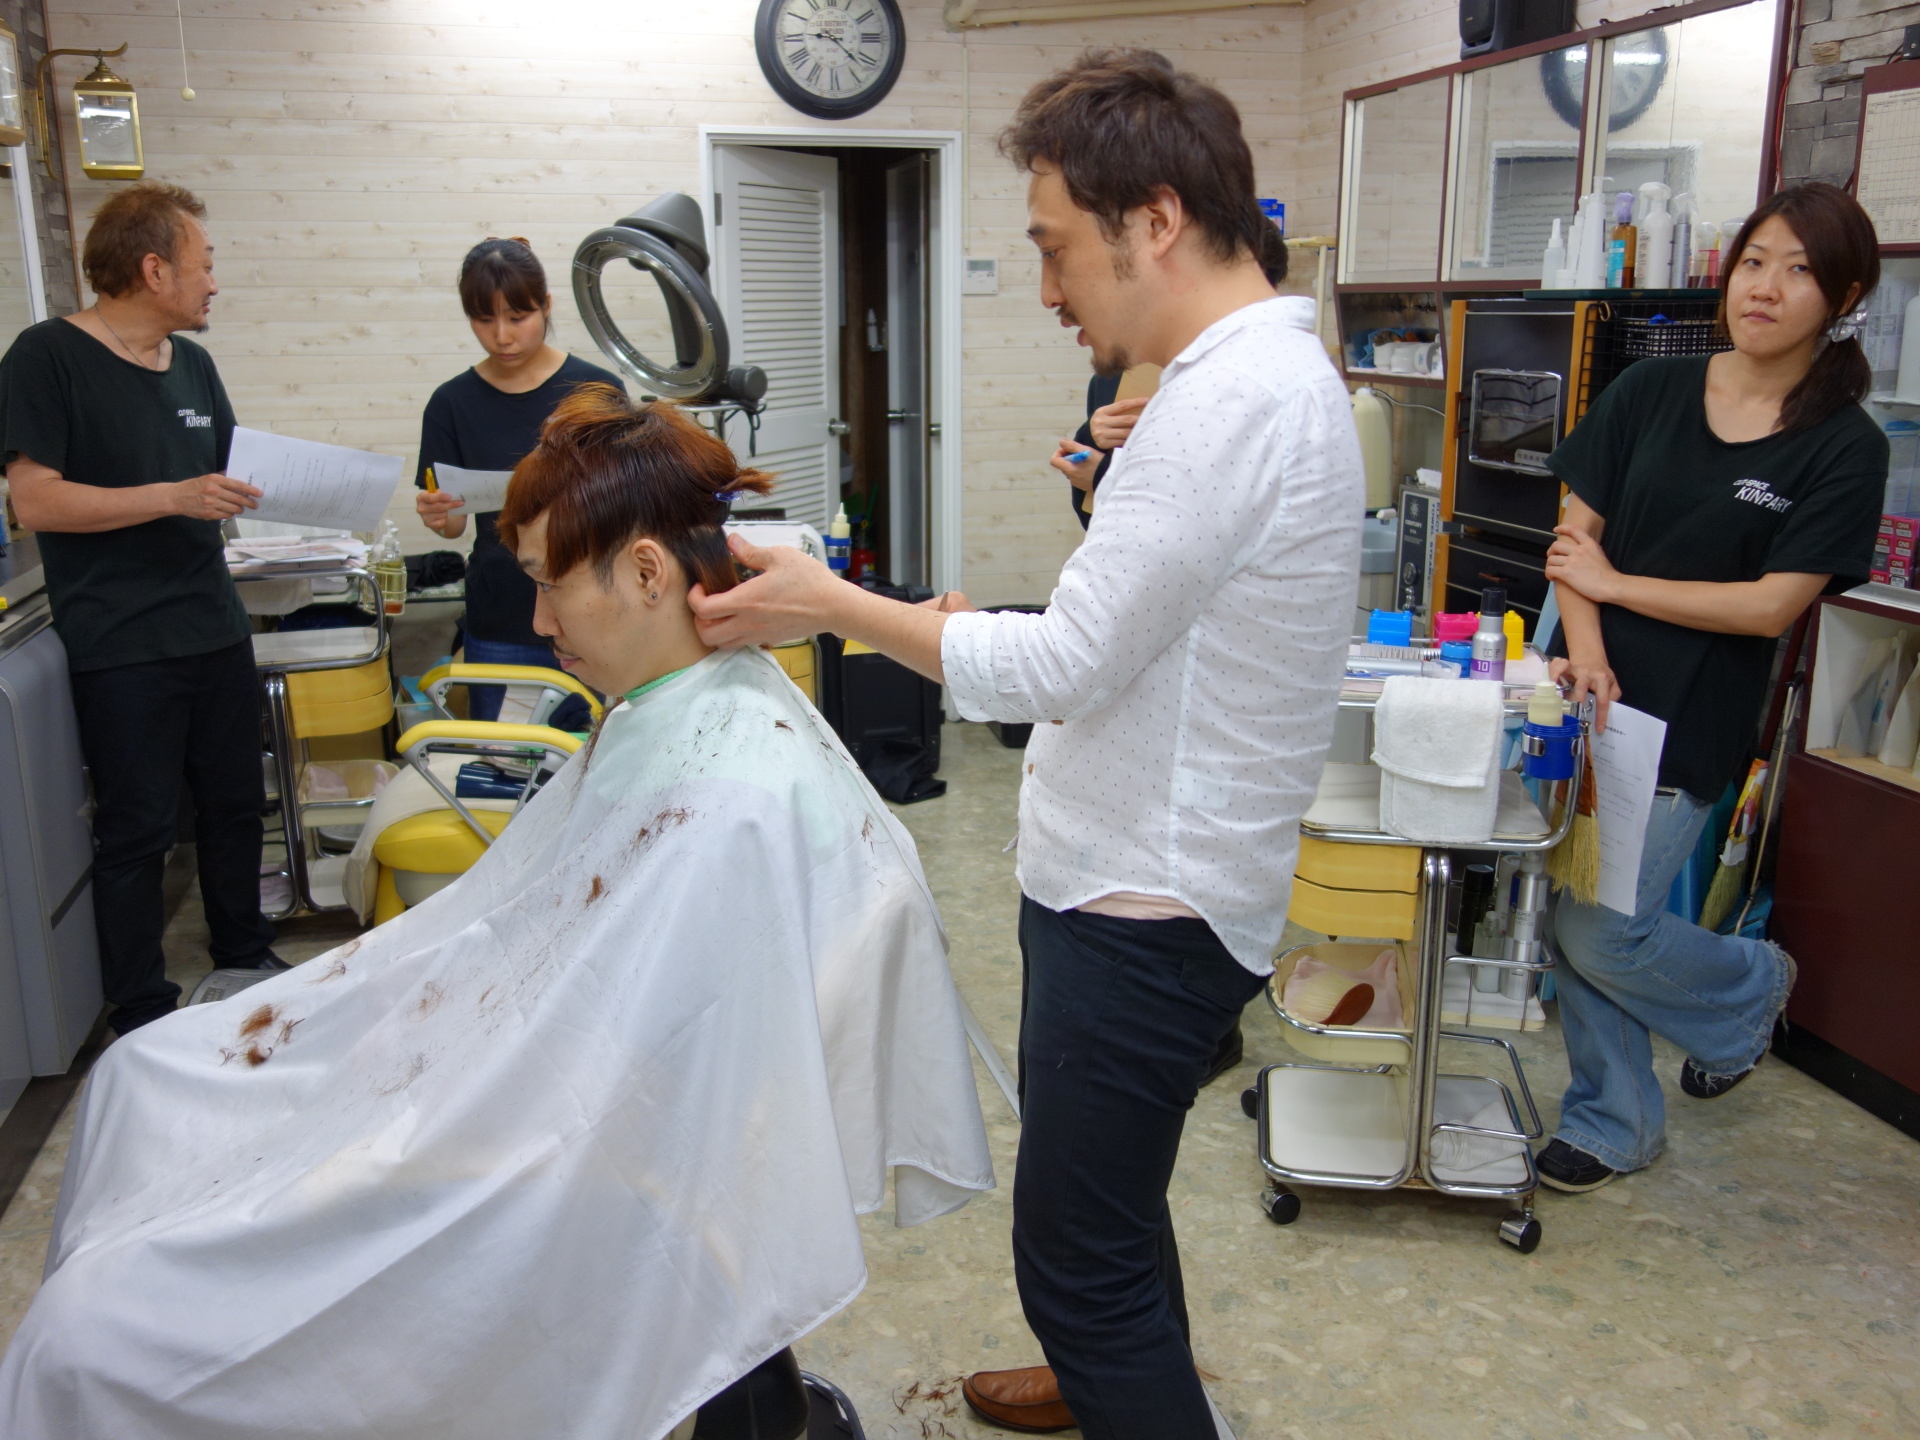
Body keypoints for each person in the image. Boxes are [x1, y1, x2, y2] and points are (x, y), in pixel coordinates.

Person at [0, 390, 993, 1440]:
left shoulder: (727, 796)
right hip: (523, 1067)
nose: (540, 623)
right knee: (137, 1078)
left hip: (555, 1122)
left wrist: (406, 1075)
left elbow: (623, 1073)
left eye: (549, 585)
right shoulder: (682, 711)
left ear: (646, 572)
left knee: (86, 1330)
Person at [689, 49, 1362, 1440]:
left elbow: (1058, 665)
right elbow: (1136, 626)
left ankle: (1114, 1371)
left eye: (1055, 248)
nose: (1048, 288)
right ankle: (1102, 1370)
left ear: (1155, 221)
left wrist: (834, 605)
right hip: (1157, 872)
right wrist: (974, 612)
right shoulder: (1248, 380)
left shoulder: (1225, 404)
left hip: (1146, 903)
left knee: (1079, 1266)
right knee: (1116, 1212)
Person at [1536, 182, 1888, 1194]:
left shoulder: (1845, 446)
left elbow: (1772, 607)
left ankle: (1748, 987)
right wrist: (1589, 650)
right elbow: (1575, 541)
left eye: (1799, 271)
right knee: (1574, 903)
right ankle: (1613, 1121)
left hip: (1691, 711)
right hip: (1583, 688)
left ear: (1844, 298)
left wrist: (1616, 587)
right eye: (1753, 262)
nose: (1764, 288)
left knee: (1599, 928)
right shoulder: (1649, 390)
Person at [0, 181, 282, 1036]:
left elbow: (222, 477)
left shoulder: (193, 365)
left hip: (213, 626)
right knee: (138, 830)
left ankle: (244, 957)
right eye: (204, 265)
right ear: (154, 270)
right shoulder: (45, 357)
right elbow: (35, 502)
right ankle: (142, 1006)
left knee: (237, 806)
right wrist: (171, 495)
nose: (214, 283)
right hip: (122, 643)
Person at [415, 237, 624, 720]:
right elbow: (453, 525)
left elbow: (625, 502)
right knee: (508, 755)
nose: (502, 336)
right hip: (501, 615)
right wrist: (438, 515)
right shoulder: (451, 403)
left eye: (517, 317)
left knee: (596, 748)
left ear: (545, 306)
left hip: (589, 609)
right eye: (484, 320)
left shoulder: (595, 390)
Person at [1052, 220, 1291, 531]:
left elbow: (1232, 510)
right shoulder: (1121, 374)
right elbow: (1093, 512)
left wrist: (1104, 475)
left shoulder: (1263, 383)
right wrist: (1090, 438)